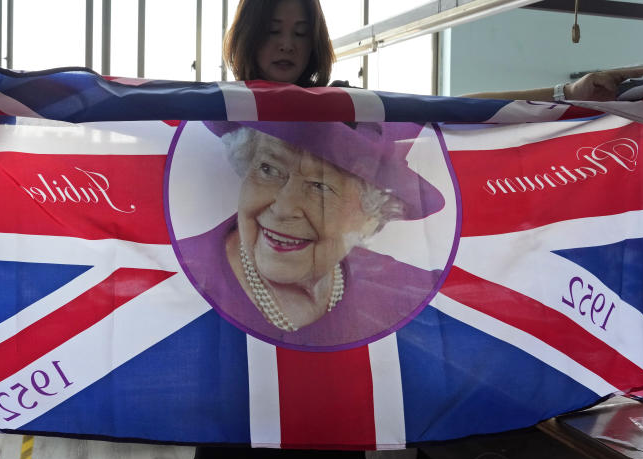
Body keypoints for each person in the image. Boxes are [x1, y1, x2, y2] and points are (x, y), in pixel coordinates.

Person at [191, 0, 643, 459]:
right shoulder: (216, 109)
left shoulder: (343, 109)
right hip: (236, 321)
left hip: (333, 323)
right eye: (274, 29)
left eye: (300, 32)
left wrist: (566, 94)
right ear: (248, 34)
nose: (286, 44)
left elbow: (452, 111)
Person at [175, 119, 446, 348]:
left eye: (320, 186)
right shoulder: (175, 280)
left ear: (371, 215)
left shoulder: (411, 296)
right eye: (269, 169)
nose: (283, 208)